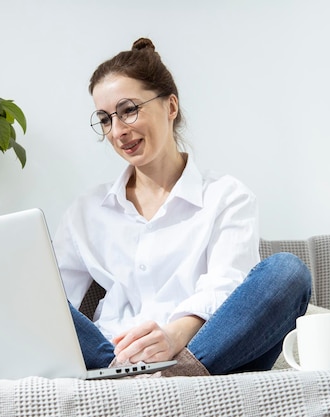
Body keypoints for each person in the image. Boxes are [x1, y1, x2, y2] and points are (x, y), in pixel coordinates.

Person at [52, 37, 311, 375]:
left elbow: (227, 283)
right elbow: (52, 302)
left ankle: (173, 379)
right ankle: (138, 382)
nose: (117, 131)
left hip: (205, 350)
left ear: (170, 107)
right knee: (29, 293)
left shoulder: (227, 196)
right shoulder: (86, 211)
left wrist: (174, 338)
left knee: (287, 273)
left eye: (128, 110)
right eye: (105, 119)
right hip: (111, 359)